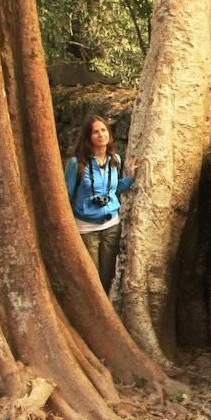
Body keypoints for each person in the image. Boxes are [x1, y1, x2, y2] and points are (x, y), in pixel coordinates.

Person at [64, 115, 134, 292]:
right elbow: (66, 194)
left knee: (107, 275)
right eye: (95, 132)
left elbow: (114, 188)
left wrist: (132, 178)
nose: (101, 135)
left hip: (112, 226)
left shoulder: (115, 159)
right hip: (86, 229)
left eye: (104, 130)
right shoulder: (76, 164)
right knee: (91, 278)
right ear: (88, 137)